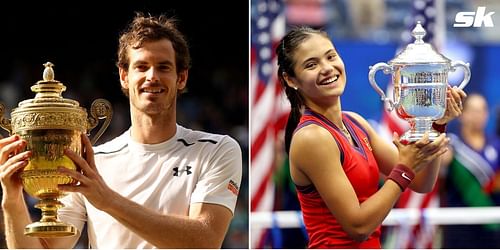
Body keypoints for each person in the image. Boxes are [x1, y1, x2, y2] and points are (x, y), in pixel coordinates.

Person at [0, 12, 242, 249]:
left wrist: (107, 200)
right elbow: (45, 249)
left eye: (164, 67)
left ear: (182, 78)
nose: (152, 76)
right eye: (142, 66)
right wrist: (12, 201)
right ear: (124, 76)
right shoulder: (92, 163)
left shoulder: (216, 150)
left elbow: (205, 241)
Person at [276, 26, 466, 248]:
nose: (327, 68)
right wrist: (404, 169)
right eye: (311, 64)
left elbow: (421, 182)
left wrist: (436, 125)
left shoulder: (356, 122)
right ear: (291, 80)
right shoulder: (312, 137)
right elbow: (358, 227)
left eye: (331, 56)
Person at [439, 93, 500, 248]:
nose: (478, 116)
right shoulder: (451, 144)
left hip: (492, 227)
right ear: (462, 114)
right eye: (473, 111)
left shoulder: (496, 145)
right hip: (459, 226)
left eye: (482, 110)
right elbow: (440, 164)